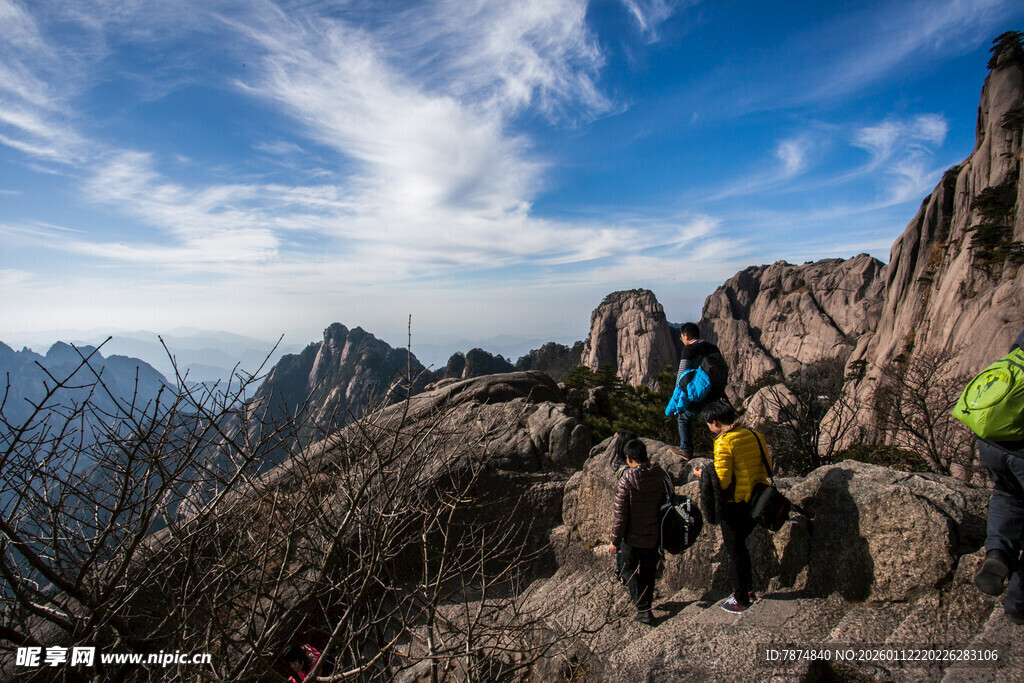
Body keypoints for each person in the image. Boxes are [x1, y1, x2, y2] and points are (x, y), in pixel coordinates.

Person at [693, 400, 770, 614]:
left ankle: (741, 598)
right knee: (741, 548)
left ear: (715, 422)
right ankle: (749, 590)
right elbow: (768, 466)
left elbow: (723, 481)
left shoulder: (724, 442)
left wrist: (702, 475)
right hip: (758, 499)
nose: (709, 428)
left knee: (735, 551)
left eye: (709, 424)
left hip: (736, 505)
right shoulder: (754, 435)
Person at [974, 329, 1024, 626]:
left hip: (993, 434)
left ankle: (998, 554)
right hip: (1020, 446)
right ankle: (1019, 604)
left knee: (1008, 495)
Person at [607, 439, 670, 624]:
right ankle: (646, 606)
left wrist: (614, 541)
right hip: (655, 535)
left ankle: (643, 608)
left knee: (627, 570)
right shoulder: (660, 474)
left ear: (628, 459)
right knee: (649, 573)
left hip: (632, 538)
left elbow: (620, 515)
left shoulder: (626, 479)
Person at [669, 322, 724, 460]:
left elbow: (682, 374)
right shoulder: (713, 347)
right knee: (715, 421)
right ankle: (726, 450)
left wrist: (677, 397)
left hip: (697, 394)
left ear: (686, 336)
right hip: (715, 391)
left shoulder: (689, 350)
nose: (681, 339)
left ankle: (686, 450)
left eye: (682, 336)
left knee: (683, 418)